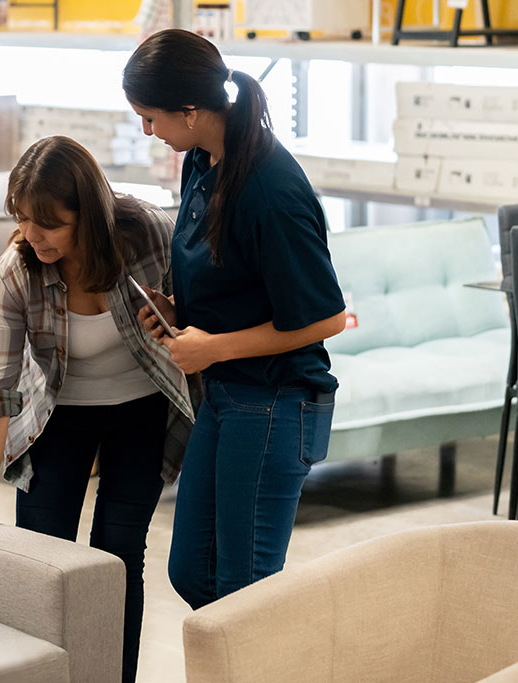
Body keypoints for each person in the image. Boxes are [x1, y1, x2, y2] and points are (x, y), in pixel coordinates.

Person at [0, 136, 195, 683]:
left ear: (87, 215)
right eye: (22, 219)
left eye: (49, 223)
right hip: (57, 414)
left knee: (117, 556)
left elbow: (196, 318)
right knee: (43, 560)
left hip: (143, 409)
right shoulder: (16, 270)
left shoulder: (147, 232)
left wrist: (175, 317)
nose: (32, 235)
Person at [122, 29, 347, 610]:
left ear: (191, 111)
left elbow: (325, 318)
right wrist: (179, 315)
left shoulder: (271, 190)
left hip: (276, 402)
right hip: (224, 396)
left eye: (152, 118)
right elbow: (230, 275)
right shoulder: (203, 157)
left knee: (244, 594)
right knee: (193, 572)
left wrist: (214, 347)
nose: (149, 131)